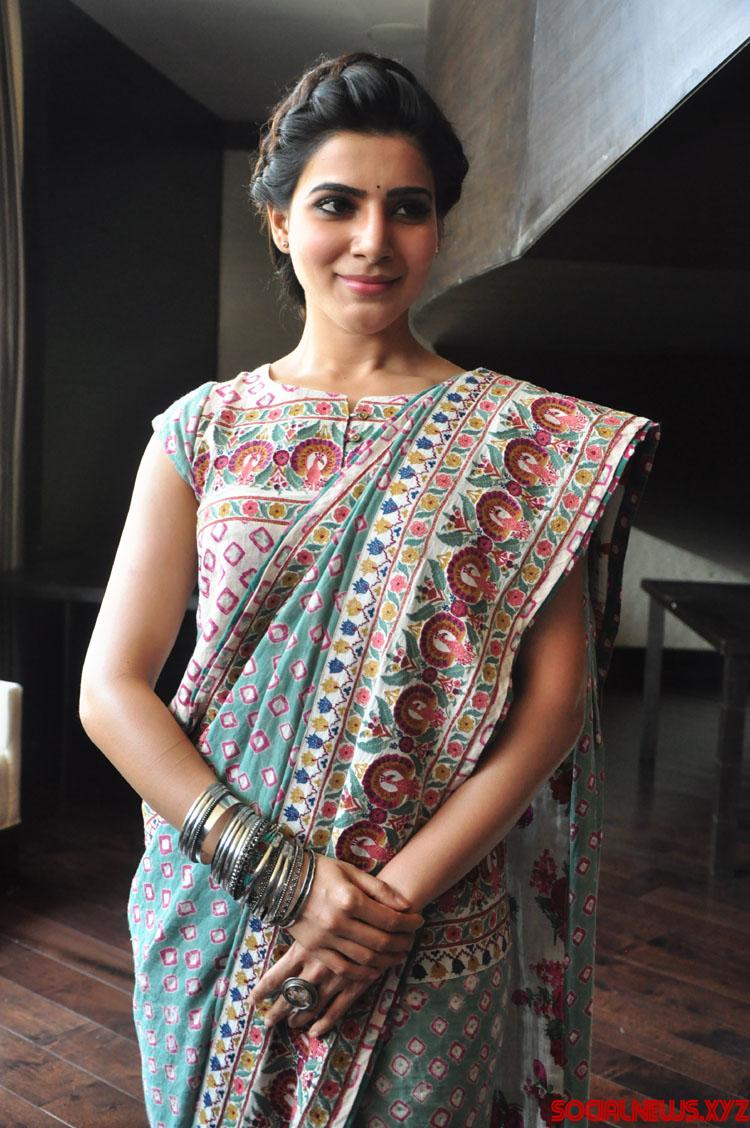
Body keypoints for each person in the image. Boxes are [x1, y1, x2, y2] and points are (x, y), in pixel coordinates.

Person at [79, 50, 660, 1128]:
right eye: (337, 204)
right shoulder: (202, 430)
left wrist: (383, 909)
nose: (374, 240)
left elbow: (553, 707)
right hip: (220, 907)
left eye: (410, 208)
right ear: (278, 221)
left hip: (425, 924)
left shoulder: (529, 443)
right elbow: (112, 687)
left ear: (440, 229)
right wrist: (289, 878)